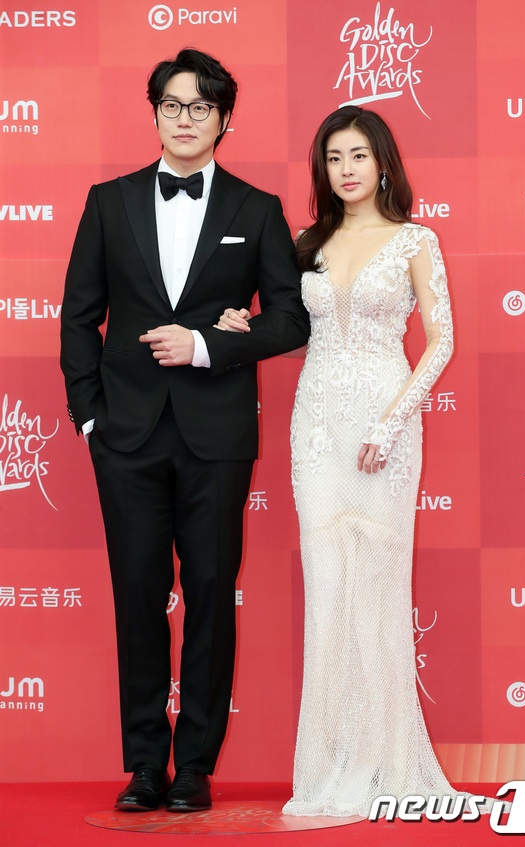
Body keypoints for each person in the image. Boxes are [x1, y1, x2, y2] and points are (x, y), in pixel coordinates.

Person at [60, 48, 309, 814]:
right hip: (126, 435)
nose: (186, 118)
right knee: (137, 597)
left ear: (224, 119)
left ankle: (195, 763)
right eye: (173, 105)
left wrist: (206, 344)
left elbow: (291, 319)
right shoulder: (109, 202)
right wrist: (91, 415)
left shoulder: (256, 208)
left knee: (208, 593)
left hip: (216, 434)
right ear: (156, 114)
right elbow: (78, 316)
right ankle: (145, 763)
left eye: (202, 107)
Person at [217, 105, 455, 817]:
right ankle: (331, 766)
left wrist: (392, 422)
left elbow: (441, 341)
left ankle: (386, 762)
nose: (346, 169)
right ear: (322, 169)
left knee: (378, 587)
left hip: (386, 424)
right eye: (333, 157)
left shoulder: (416, 240)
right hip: (317, 429)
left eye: (358, 155)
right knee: (328, 588)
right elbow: (292, 327)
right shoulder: (305, 243)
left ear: (383, 164)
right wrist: (243, 325)